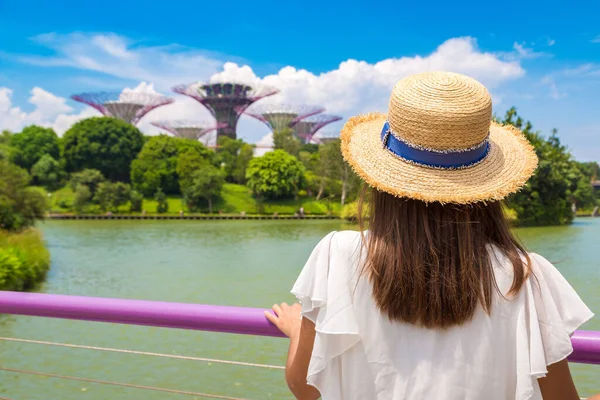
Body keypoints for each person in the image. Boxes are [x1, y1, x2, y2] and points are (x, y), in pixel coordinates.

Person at [265, 72, 597, 400]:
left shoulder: (337, 256)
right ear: (488, 190)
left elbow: (305, 385)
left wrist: (299, 330)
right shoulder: (523, 277)